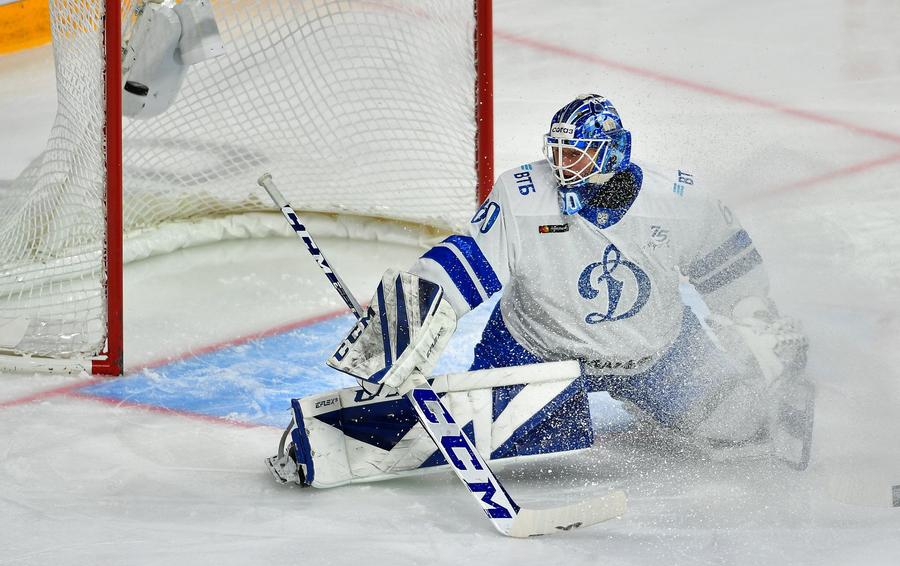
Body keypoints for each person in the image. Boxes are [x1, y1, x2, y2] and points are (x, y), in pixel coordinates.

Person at [268, 94, 814, 489]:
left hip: (658, 354)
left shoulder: (678, 201)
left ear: (611, 154)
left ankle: (657, 402)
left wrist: (760, 323)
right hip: (536, 354)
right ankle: (325, 440)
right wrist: (403, 323)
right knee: (461, 435)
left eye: (575, 154)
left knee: (743, 427)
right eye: (556, 151)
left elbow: (729, 269)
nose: (560, 165)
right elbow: (466, 260)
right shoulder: (523, 193)